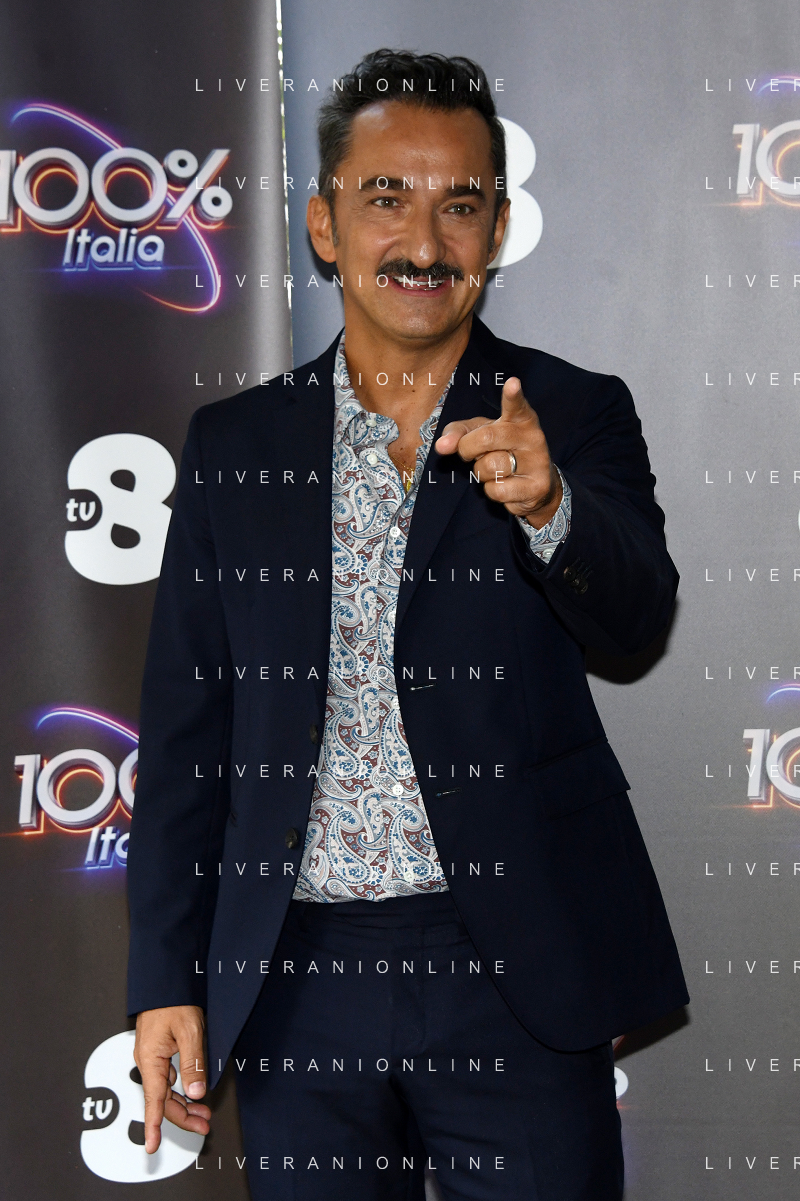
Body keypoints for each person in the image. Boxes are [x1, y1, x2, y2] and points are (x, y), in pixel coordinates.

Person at [127, 48, 689, 1201]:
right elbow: (188, 732)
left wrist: (550, 507)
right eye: (385, 197)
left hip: (520, 966)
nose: (423, 242)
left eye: (459, 205)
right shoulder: (235, 448)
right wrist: (163, 977)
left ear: (496, 231)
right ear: (324, 226)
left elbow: (636, 613)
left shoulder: (571, 412)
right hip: (296, 981)